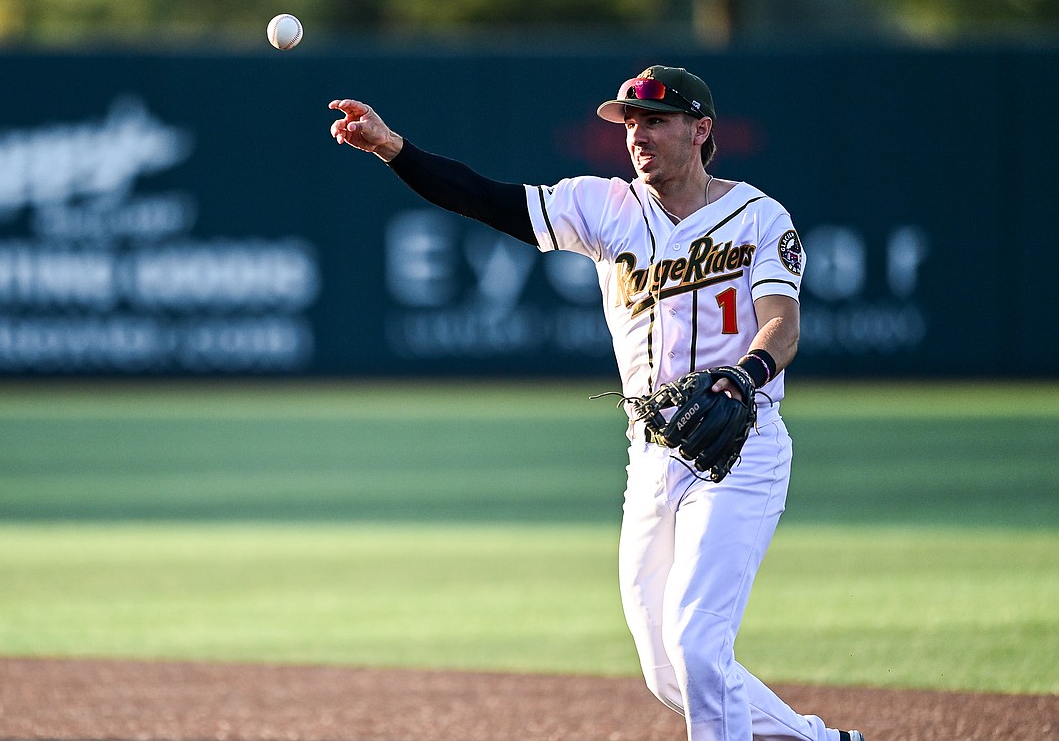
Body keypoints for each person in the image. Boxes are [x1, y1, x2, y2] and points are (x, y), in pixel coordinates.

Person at [329, 65, 865, 741]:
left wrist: (745, 374)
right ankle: (818, 739)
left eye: (657, 121)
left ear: (700, 130)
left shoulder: (758, 217)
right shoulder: (605, 206)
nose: (638, 135)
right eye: (630, 123)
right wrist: (390, 147)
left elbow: (781, 325)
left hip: (740, 448)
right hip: (651, 457)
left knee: (698, 645)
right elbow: (483, 198)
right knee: (669, 671)